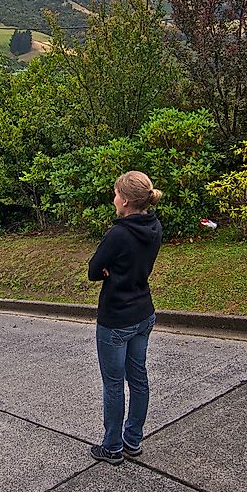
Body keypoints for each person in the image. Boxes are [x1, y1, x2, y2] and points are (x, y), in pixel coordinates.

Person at [87, 171, 163, 465]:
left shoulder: (118, 234)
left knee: (114, 384)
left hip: (116, 319)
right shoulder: (154, 226)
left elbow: (94, 270)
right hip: (144, 313)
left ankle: (112, 447)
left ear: (127, 201)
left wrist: (109, 268)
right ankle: (133, 441)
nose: (113, 198)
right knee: (139, 378)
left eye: (116, 194)